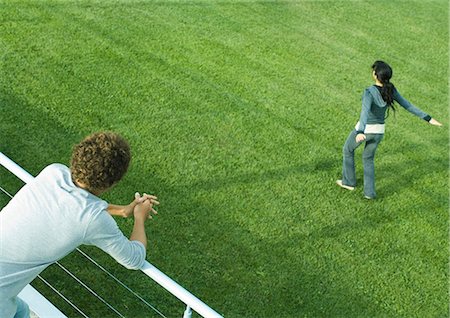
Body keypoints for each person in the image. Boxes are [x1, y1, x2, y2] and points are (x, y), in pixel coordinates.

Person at [0, 132, 159, 318]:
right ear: (112, 183)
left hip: (5, 297)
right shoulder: (93, 220)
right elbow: (134, 259)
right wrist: (140, 217)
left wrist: (122, 211)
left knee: (21, 311)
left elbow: (73, 204)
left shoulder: (53, 172)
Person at [336, 60, 442, 199]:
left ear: (375, 75)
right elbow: (408, 106)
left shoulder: (369, 92)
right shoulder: (391, 90)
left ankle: (349, 182)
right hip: (379, 132)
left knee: (347, 150)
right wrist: (428, 118)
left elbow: (364, 112)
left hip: (365, 130)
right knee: (368, 159)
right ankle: (369, 193)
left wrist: (360, 131)